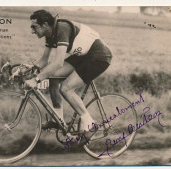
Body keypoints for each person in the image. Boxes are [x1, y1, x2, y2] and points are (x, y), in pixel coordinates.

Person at [25, 10, 113, 145]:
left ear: (45, 25)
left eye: (34, 27)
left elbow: (58, 62)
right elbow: (43, 60)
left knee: (66, 88)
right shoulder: (50, 33)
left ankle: (90, 125)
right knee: (53, 77)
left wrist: (36, 80)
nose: (32, 31)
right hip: (83, 55)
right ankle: (58, 120)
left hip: (99, 56)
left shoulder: (62, 29)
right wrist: (29, 68)